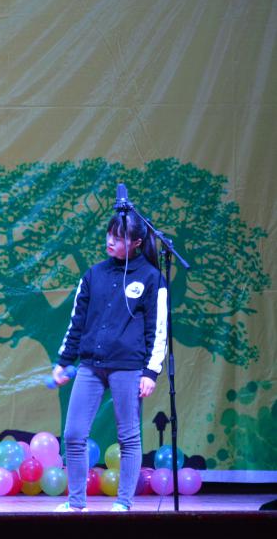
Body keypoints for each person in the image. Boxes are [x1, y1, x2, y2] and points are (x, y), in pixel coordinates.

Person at [51, 210, 167, 512]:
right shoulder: (93, 275)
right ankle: (76, 503)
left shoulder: (151, 278)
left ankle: (124, 503)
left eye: (119, 237)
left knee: (128, 436)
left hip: (128, 366)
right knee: (74, 434)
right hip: (91, 364)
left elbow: (157, 329)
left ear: (137, 242)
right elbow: (76, 322)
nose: (110, 241)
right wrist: (64, 361)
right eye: (109, 234)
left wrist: (150, 372)